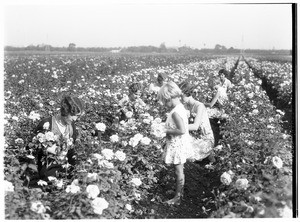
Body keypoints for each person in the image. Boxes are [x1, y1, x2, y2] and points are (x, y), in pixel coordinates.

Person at [31, 95, 84, 183]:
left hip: (65, 168)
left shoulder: (71, 126)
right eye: (73, 115)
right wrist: (48, 150)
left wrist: (76, 170)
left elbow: (71, 151)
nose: (75, 119)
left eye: (77, 116)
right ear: (66, 111)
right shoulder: (47, 124)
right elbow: (33, 149)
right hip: (48, 169)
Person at [157, 81, 192, 205]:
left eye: (165, 101)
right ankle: (179, 192)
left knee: (178, 171)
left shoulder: (176, 112)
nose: (164, 104)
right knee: (179, 171)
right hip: (178, 143)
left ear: (170, 98)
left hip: (177, 145)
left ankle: (178, 197)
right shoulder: (179, 108)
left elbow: (182, 130)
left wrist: (165, 130)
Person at [178, 81, 215, 163]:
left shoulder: (199, 106)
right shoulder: (186, 105)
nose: (180, 99)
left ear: (187, 94)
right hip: (195, 136)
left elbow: (195, 126)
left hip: (205, 139)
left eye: (181, 96)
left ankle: (210, 157)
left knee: (185, 152)